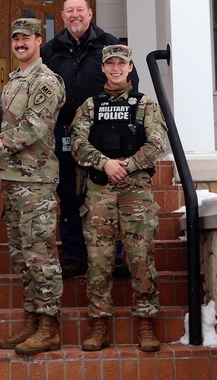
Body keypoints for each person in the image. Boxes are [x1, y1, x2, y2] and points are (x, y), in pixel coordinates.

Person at [0, 18, 65, 355]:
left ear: (39, 40)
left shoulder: (45, 80)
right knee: (22, 255)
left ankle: (49, 326)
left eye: (27, 37)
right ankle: (33, 322)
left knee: (40, 254)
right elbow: (13, 118)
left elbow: (35, 128)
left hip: (34, 180)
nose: (20, 42)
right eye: (15, 38)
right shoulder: (15, 81)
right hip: (14, 179)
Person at [69, 44, 167, 353]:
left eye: (120, 64)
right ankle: (99, 323)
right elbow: (77, 143)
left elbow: (157, 142)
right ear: (102, 68)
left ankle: (147, 323)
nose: (115, 68)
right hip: (99, 190)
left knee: (140, 257)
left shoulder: (145, 105)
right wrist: (105, 163)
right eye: (109, 63)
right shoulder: (89, 106)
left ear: (129, 67)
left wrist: (128, 165)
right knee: (98, 260)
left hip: (136, 190)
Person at [40, 0, 137, 278]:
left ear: (90, 13)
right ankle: (74, 255)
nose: (75, 15)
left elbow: (130, 84)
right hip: (65, 131)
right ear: (63, 16)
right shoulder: (50, 50)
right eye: (69, 11)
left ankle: (114, 256)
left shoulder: (109, 43)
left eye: (80, 10)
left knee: (107, 194)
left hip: (104, 131)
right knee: (69, 194)